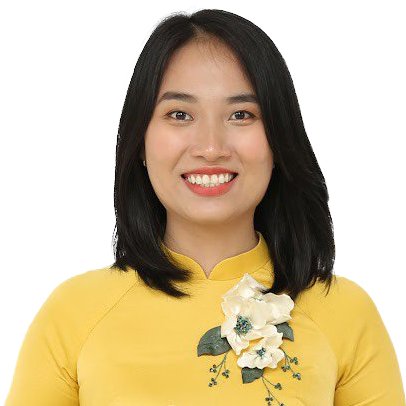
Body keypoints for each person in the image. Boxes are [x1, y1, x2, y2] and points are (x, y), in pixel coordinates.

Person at [5, 8, 405, 406]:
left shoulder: (345, 311)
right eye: (180, 114)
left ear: (279, 140)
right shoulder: (73, 314)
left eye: (241, 115)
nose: (211, 147)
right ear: (140, 140)